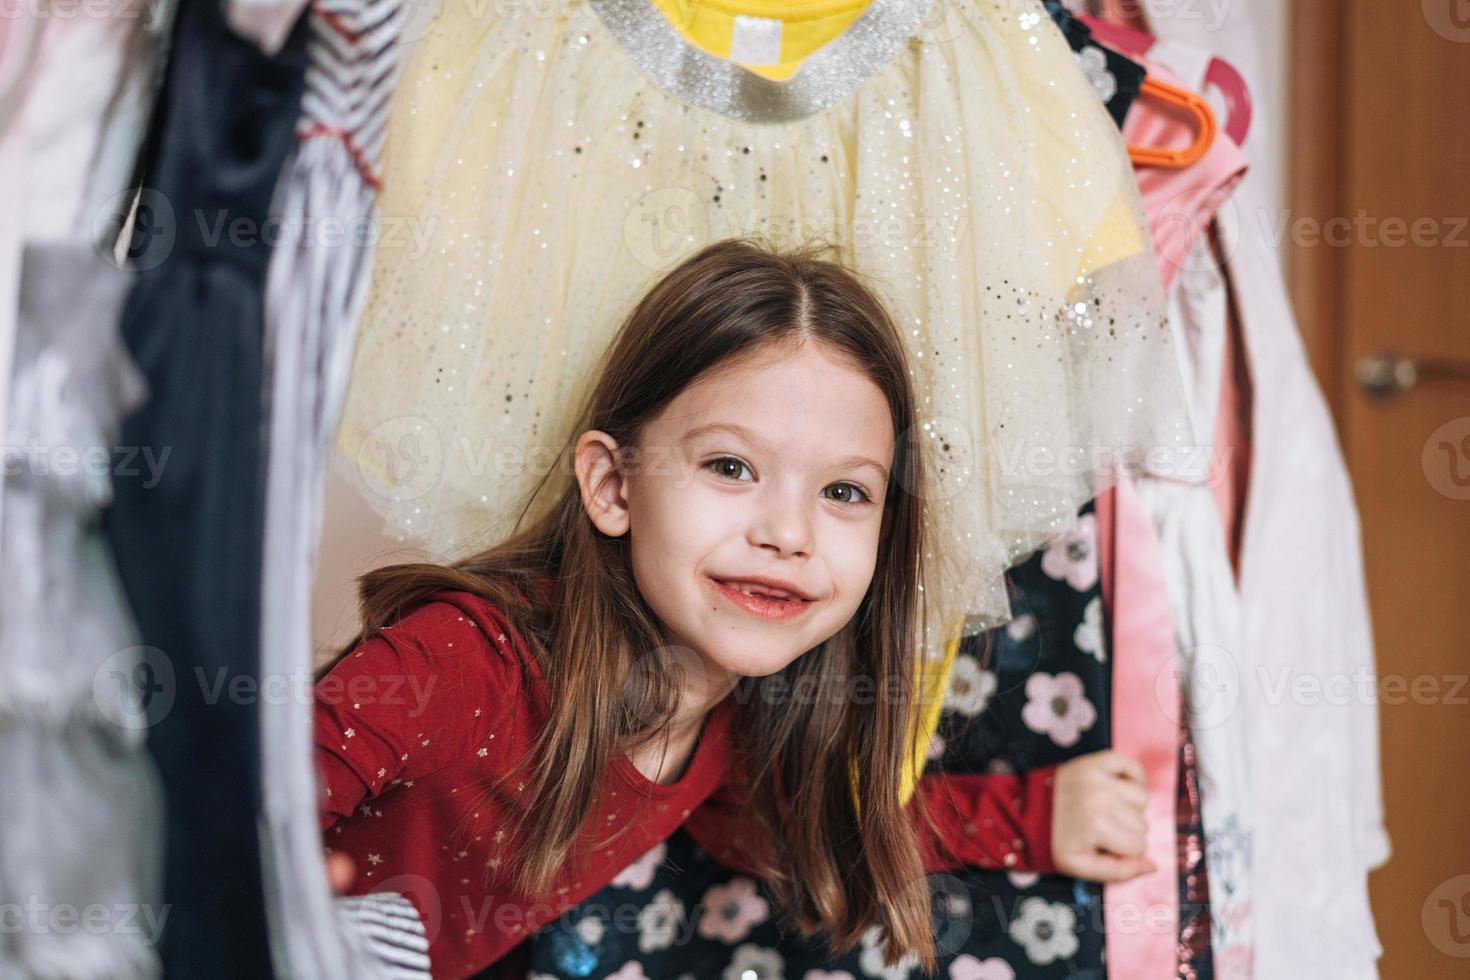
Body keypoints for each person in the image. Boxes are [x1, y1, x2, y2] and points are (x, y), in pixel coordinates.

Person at [314, 240, 1151, 980]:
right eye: (730, 467)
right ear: (613, 486)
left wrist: (1034, 818)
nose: (788, 532)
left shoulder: (727, 724)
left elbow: (820, 827)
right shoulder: (458, 665)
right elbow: (211, 814)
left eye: (843, 491)